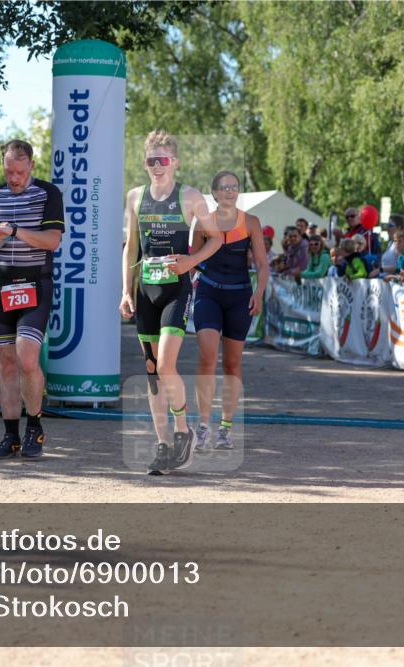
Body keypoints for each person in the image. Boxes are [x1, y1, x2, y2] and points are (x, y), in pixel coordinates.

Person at [120, 130, 222, 475]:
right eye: (151, 160)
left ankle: (183, 431)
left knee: (166, 365)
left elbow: (216, 239)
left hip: (176, 289)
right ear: (145, 163)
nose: (157, 166)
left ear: (175, 162)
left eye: (163, 160)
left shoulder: (190, 196)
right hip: (146, 289)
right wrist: (125, 291)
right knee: (152, 371)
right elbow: (131, 247)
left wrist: (191, 261)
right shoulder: (135, 197)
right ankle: (163, 445)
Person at [0, 139, 64, 460]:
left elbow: (52, 241)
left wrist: (14, 230)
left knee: (26, 356)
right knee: (7, 361)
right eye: (9, 172)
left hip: (36, 282)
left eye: (20, 173)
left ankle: (34, 427)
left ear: (31, 167)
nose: (14, 178)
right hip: (1, 286)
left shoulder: (48, 194)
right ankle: (10, 435)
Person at [190, 171, 269, 452]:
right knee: (207, 356)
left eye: (234, 187)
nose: (230, 191)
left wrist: (259, 293)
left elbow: (262, 264)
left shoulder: (250, 222)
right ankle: (202, 426)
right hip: (209, 293)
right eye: (224, 187)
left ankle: (225, 428)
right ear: (214, 193)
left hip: (239, 296)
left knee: (232, 364)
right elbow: (193, 262)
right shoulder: (203, 222)